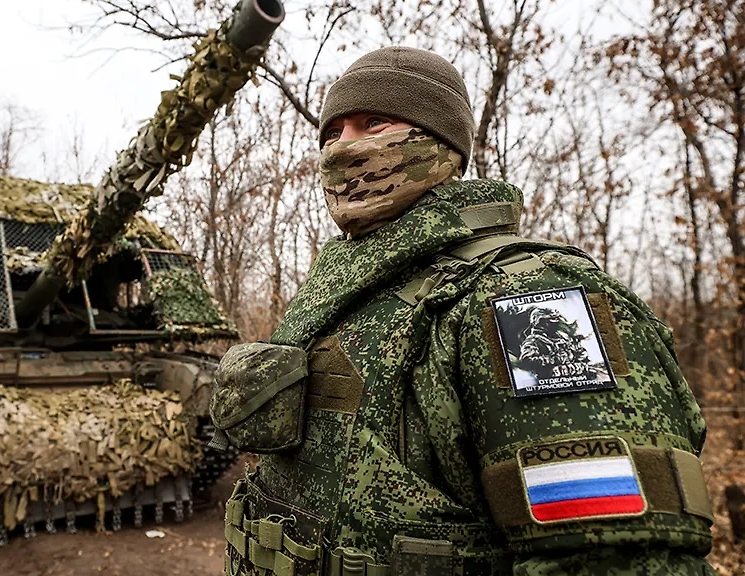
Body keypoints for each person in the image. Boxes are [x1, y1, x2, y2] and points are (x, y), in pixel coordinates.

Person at [212, 46, 715, 575]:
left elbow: (611, 557)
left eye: (373, 122)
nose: (344, 148)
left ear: (439, 141)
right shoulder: (342, 295)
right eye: (333, 133)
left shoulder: (523, 299)